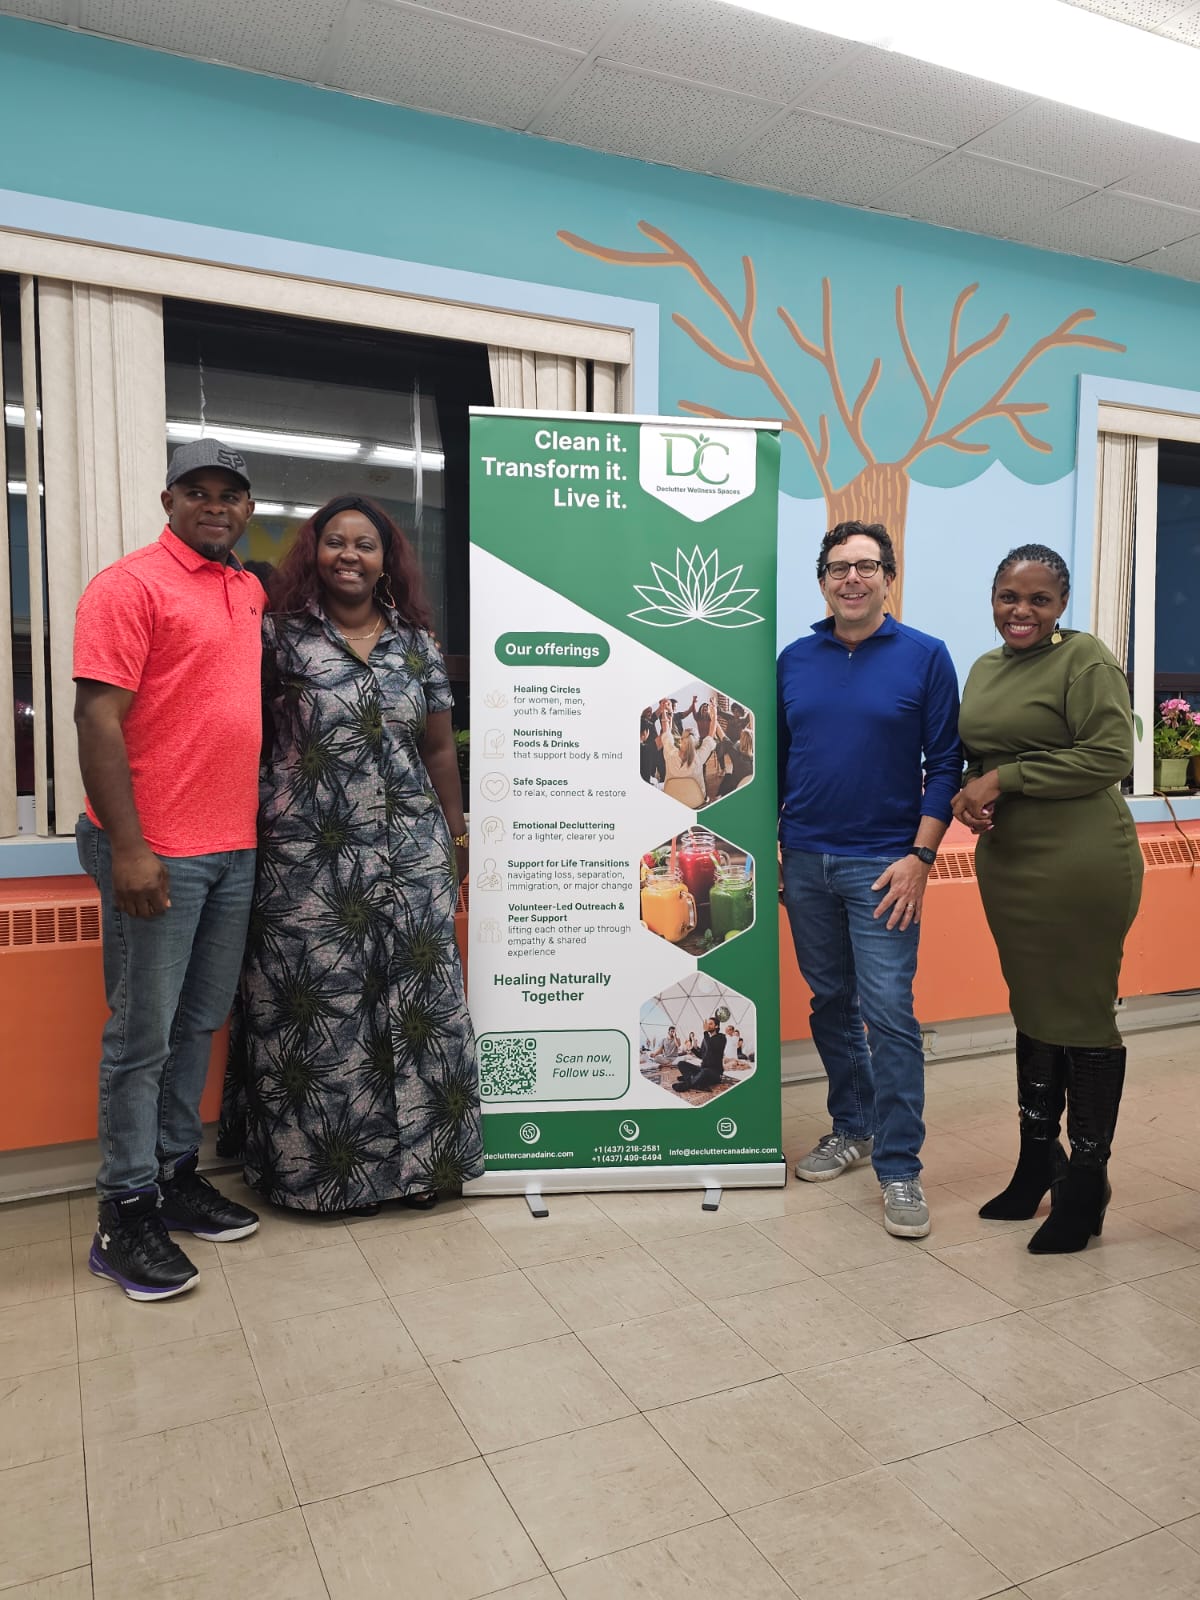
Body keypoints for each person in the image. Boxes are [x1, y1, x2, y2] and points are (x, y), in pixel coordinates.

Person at [220, 494, 482, 1214]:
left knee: (420, 1007)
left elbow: (437, 749)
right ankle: (334, 1180)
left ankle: (423, 1169)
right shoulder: (277, 640)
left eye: (365, 544)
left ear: (385, 560)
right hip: (305, 863)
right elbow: (243, 737)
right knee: (323, 1013)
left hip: (410, 853)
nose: (350, 556)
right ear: (315, 552)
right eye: (336, 541)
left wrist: (456, 833)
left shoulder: (415, 644)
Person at [73, 438, 263, 1302]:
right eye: (198, 491)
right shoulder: (128, 586)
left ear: (247, 508)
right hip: (154, 851)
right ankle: (123, 1214)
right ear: (169, 501)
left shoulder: (245, 589)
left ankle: (175, 1175)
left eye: (230, 493)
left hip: (233, 846)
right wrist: (128, 848)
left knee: (197, 1026)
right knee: (140, 1038)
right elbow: (97, 720)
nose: (214, 505)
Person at [953, 544, 1142, 1253]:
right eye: (1009, 596)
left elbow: (1110, 755)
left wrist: (1005, 780)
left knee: (1081, 1013)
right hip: (1009, 861)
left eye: (1039, 599)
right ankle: (1039, 1160)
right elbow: (982, 756)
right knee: (1032, 1005)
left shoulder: (1084, 659)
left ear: (1061, 604)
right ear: (993, 598)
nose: (1022, 611)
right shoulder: (986, 667)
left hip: (1080, 859)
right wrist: (969, 792)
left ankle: (1086, 1183)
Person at [779, 520, 961, 1239]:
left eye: (865, 566)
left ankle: (900, 1167)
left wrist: (921, 858)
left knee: (888, 1014)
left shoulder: (925, 656)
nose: (850, 578)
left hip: (886, 866)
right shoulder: (794, 659)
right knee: (830, 1001)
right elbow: (777, 761)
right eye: (837, 567)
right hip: (805, 860)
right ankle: (851, 1127)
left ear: (889, 576)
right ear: (822, 581)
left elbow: (945, 765)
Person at [658, 696, 719, 806]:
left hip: (672, 798)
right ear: (697, 743)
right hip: (696, 802)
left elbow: (666, 731)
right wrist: (714, 712)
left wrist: (663, 711)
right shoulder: (699, 757)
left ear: (681, 740)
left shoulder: (670, 753)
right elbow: (711, 734)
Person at [672, 1016, 727, 1092]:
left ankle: (688, 1084)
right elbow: (701, 1055)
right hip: (703, 1069)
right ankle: (696, 1080)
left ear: (716, 1026)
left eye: (710, 1024)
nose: (708, 1025)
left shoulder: (722, 1037)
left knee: (705, 1072)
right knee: (681, 1063)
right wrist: (692, 1048)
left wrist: (705, 1032)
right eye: (707, 1024)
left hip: (715, 1073)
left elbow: (711, 1048)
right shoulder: (705, 1039)